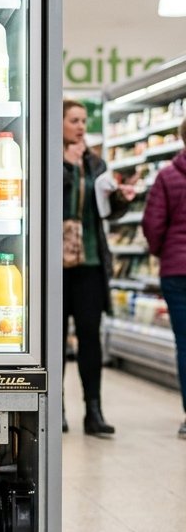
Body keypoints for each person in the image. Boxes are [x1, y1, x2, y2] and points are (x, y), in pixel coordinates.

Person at [62, 98, 136, 436]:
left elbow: (107, 210)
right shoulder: (49, 159)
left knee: (90, 337)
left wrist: (122, 197)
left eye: (83, 121)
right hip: (56, 265)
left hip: (90, 262)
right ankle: (56, 408)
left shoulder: (95, 163)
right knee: (55, 340)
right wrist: (66, 169)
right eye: (74, 120)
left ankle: (94, 410)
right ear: (58, 123)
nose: (80, 126)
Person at [142, 118, 186, 439]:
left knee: (184, 345)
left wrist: (162, 251)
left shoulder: (168, 175)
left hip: (176, 271)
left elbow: (153, 225)